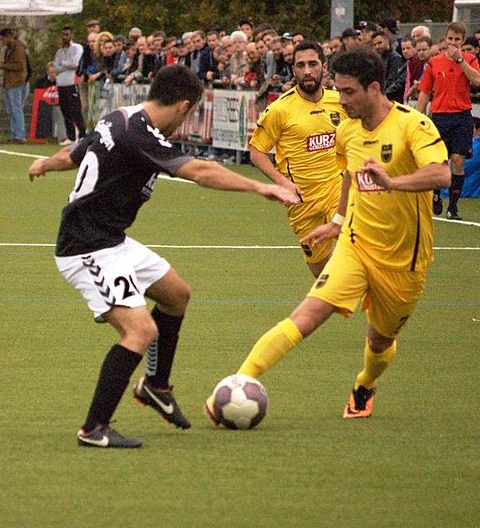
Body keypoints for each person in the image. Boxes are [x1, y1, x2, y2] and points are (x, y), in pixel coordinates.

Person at [27, 65, 301, 448]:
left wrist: (44, 164)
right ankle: (94, 429)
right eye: (188, 115)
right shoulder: (143, 134)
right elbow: (201, 172)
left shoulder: (120, 117)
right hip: (87, 246)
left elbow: (75, 153)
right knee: (140, 331)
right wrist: (260, 188)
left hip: (112, 239)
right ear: (183, 107)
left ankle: (156, 386)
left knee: (176, 294)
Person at [206, 48, 450, 422]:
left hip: (405, 260)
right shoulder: (348, 130)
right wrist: (338, 221)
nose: (342, 99)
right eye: (338, 90)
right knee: (306, 315)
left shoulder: (412, 125)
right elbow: (349, 178)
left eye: (349, 92)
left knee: (380, 340)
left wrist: (394, 182)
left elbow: (441, 174)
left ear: (373, 88)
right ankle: (237, 384)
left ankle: (365, 383)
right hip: (356, 244)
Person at [248, 41, 347, 277]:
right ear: (293, 70)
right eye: (300, 65)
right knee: (321, 272)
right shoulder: (280, 109)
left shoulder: (340, 101)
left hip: (339, 189)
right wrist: (282, 183)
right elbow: (256, 153)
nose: (307, 71)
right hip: (302, 199)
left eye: (312, 64)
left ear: (324, 67)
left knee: (355, 241)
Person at [416, 21, 480, 220]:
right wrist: (419, 116)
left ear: (462, 41)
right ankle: (436, 194)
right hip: (439, 116)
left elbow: (478, 80)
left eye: (457, 40)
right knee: (438, 161)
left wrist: (460, 60)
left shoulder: (469, 59)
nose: (453, 43)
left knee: (458, 161)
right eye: (450, 38)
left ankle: (453, 207)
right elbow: (425, 91)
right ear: (445, 39)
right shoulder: (434, 62)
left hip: (461, 116)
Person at [0, 28, 29, 144]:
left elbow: (19, 65)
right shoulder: (9, 49)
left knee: (16, 109)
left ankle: (19, 135)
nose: (2, 41)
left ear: (9, 36)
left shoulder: (18, 48)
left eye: (3, 38)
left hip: (16, 83)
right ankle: (14, 134)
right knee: (11, 110)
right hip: (9, 83)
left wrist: (4, 66)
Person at [53, 25, 87, 145]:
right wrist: (64, 65)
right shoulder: (60, 51)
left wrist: (63, 64)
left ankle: (82, 134)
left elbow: (75, 63)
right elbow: (55, 67)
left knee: (75, 109)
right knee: (65, 110)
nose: (65, 37)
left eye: (67, 34)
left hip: (71, 83)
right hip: (61, 84)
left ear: (71, 35)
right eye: (63, 34)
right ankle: (71, 136)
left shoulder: (77, 48)